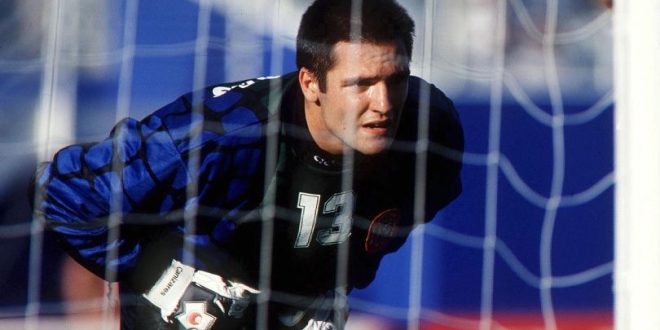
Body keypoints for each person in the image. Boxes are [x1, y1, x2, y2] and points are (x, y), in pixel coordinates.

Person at [32, 0, 464, 328]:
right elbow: (63, 191)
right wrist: (161, 277)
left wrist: (339, 278)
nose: (384, 104)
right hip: (194, 302)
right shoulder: (219, 134)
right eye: (361, 85)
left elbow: (396, 217)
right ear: (311, 83)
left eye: (396, 80)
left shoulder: (431, 130)